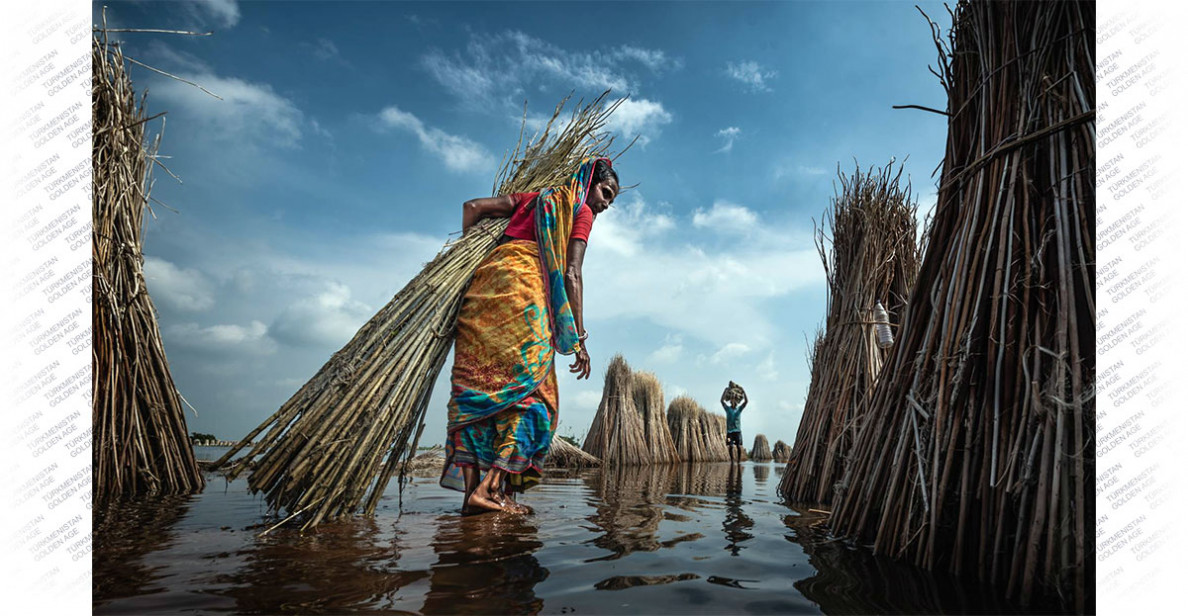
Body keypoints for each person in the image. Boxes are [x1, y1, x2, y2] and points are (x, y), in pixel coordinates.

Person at [440, 157, 620, 514]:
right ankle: (489, 489)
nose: (605, 203)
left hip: (483, 294)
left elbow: (472, 207)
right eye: (606, 192)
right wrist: (580, 339)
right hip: (523, 299)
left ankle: (474, 498)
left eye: (611, 200)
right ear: (588, 183)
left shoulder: (533, 199)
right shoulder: (579, 210)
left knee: (479, 394)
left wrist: (466, 256)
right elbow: (571, 273)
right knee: (539, 402)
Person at [721, 385, 747, 464]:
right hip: (729, 433)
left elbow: (746, 402)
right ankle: (732, 460)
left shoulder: (739, 409)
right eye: (732, 400)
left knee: (739, 446)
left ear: (736, 402)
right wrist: (725, 391)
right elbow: (722, 401)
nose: (733, 401)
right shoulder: (727, 409)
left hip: (737, 432)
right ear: (730, 401)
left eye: (735, 400)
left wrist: (744, 391)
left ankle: (738, 461)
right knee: (730, 446)